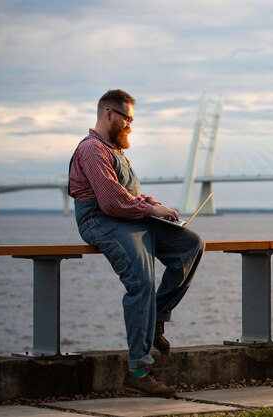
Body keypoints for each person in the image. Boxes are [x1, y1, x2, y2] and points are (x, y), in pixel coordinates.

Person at [68, 89, 205, 396]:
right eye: (127, 118)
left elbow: (128, 196)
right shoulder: (92, 150)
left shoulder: (115, 150)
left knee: (190, 245)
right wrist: (148, 210)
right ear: (109, 115)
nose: (131, 125)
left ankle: (156, 316)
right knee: (141, 279)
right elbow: (111, 201)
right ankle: (138, 371)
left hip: (129, 216)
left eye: (132, 119)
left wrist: (155, 206)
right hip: (100, 220)